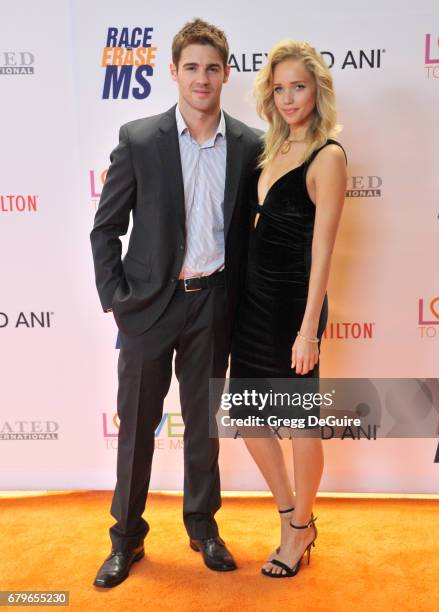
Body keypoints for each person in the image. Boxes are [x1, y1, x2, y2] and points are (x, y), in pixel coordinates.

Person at [90, 18, 261, 588]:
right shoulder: (139, 138)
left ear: (226, 74)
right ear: (173, 72)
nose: (202, 78)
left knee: (203, 428)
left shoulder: (249, 145)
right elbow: (106, 228)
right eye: (192, 67)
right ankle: (126, 539)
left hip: (212, 305)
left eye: (212, 67)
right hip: (148, 309)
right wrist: (117, 298)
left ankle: (203, 528)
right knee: (138, 425)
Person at [230, 40, 347, 577]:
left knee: (301, 424)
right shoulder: (267, 148)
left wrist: (308, 330)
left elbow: (323, 251)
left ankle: (300, 530)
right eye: (278, 88)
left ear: (317, 89)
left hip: (294, 307)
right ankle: (289, 513)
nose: (288, 97)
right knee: (250, 417)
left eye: (298, 86)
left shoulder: (329, 156)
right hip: (253, 303)